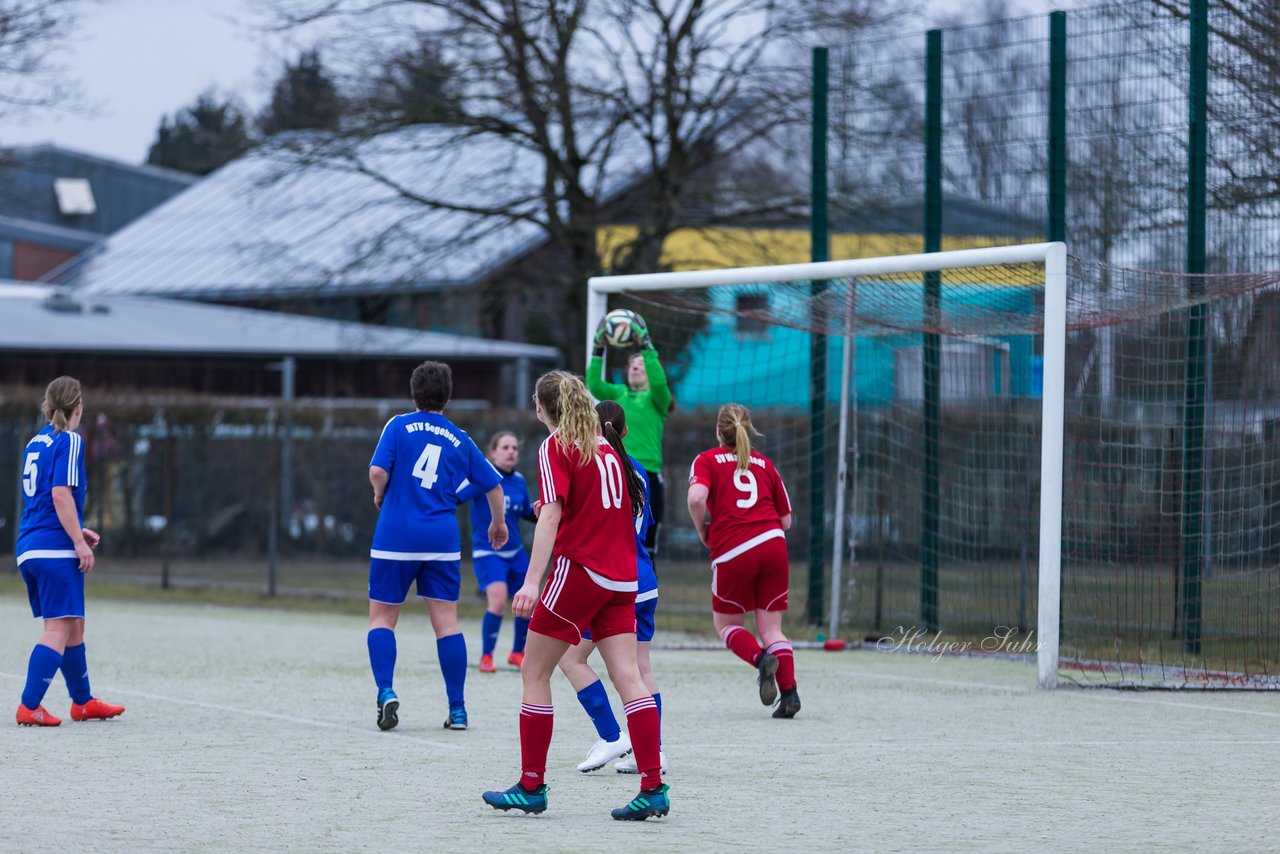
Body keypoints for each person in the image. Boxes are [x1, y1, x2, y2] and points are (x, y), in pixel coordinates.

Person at [482, 371, 669, 821]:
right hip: (625, 577)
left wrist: (531, 581)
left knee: (534, 669)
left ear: (544, 408)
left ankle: (531, 785)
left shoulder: (557, 445)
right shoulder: (608, 446)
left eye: (535, 402)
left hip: (582, 571)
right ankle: (653, 787)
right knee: (629, 676)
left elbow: (550, 517)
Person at [366, 361, 507, 732]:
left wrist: (380, 495)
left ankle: (386, 690)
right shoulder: (460, 437)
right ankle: (457, 709)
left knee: (382, 619)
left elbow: (378, 471)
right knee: (446, 624)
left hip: (396, 535)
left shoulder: (397, 426)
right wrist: (499, 523)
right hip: (440, 538)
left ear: (414, 393)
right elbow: (493, 486)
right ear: (447, 396)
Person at [559, 400, 665, 774]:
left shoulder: (595, 464)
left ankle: (610, 735)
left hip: (612, 580)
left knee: (570, 657)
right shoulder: (638, 471)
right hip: (644, 579)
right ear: (626, 431)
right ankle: (654, 751)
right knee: (640, 669)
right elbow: (646, 524)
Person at [15, 376, 125, 727]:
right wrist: (77, 542)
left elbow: (46, 499)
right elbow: (60, 494)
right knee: (59, 629)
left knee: (74, 624)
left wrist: (77, 530)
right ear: (79, 408)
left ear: (48, 407)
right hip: (53, 549)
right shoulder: (70, 440)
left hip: (31, 546)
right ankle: (29, 705)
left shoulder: (37, 441)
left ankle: (83, 702)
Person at [686, 403, 801, 719]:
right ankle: (789, 693)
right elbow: (787, 520)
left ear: (718, 431)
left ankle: (761, 660)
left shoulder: (707, 459)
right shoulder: (765, 463)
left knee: (726, 625)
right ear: (748, 429)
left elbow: (696, 497)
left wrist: (702, 528)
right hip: (773, 544)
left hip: (734, 548)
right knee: (772, 629)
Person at [586, 312, 671, 558]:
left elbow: (658, 381)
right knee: (613, 537)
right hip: (618, 471)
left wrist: (645, 345)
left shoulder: (657, 399)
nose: (635, 367)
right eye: (632, 364)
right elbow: (593, 383)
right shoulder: (618, 393)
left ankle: (646, 591)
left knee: (647, 545)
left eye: (641, 364)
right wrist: (598, 348)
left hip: (649, 476)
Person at [459, 431, 536, 673]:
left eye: (514, 447)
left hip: (515, 553)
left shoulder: (520, 481)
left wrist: (550, 514)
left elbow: (526, 512)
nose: (511, 451)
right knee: (498, 600)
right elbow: (454, 498)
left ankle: (517, 652)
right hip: (488, 551)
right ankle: (486, 656)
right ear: (492, 453)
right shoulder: (482, 477)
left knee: (526, 603)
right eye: (505, 447)